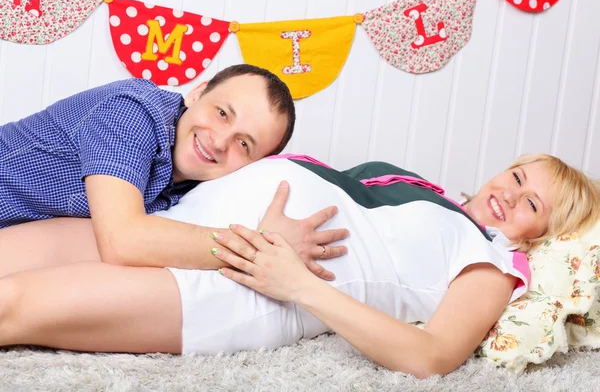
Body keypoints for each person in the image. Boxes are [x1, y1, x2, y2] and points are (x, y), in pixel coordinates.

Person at [0, 153, 597, 378]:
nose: (509, 196)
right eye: (517, 177)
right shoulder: (420, 184)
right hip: (185, 227)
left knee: (14, 307)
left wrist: (298, 285)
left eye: (531, 205)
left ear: (547, 234)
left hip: (247, 288)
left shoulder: (493, 262)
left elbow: (433, 355)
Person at [0, 64, 348, 278]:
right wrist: (265, 249)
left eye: (244, 145)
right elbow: (123, 241)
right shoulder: (132, 110)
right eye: (222, 113)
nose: (219, 141)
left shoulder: (197, 189)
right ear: (197, 93)